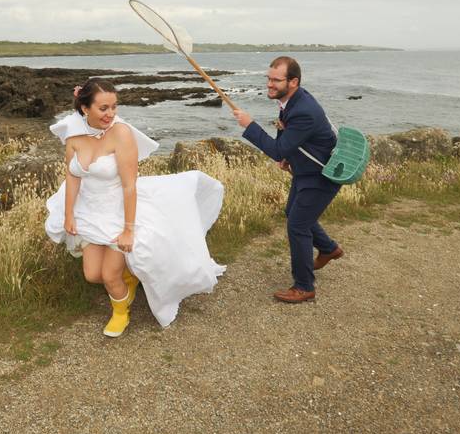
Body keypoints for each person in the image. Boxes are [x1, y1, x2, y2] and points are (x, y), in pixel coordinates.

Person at [45, 78, 226, 337]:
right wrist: (69, 213)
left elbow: (130, 186)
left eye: (114, 107)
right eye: (103, 108)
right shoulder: (74, 138)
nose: (110, 114)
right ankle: (129, 278)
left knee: (108, 275)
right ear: (85, 109)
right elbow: (72, 177)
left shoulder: (121, 134)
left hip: (120, 213)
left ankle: (120, 312)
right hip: (90, 212)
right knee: (92, 275)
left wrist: (128, 230)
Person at [232, 56, 344, 303]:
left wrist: (250, 125)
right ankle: (328, 249)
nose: (270, 84)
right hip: (306, 170)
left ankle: (304, 286)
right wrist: (289, 157)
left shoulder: (304, 110)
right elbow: (288, 139)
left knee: (298, 225)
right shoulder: (291, 100)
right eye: (268, 78)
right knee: (292, 212)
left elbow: (278, 149)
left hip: (321, 177)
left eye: (276, 80)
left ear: (293, 81)